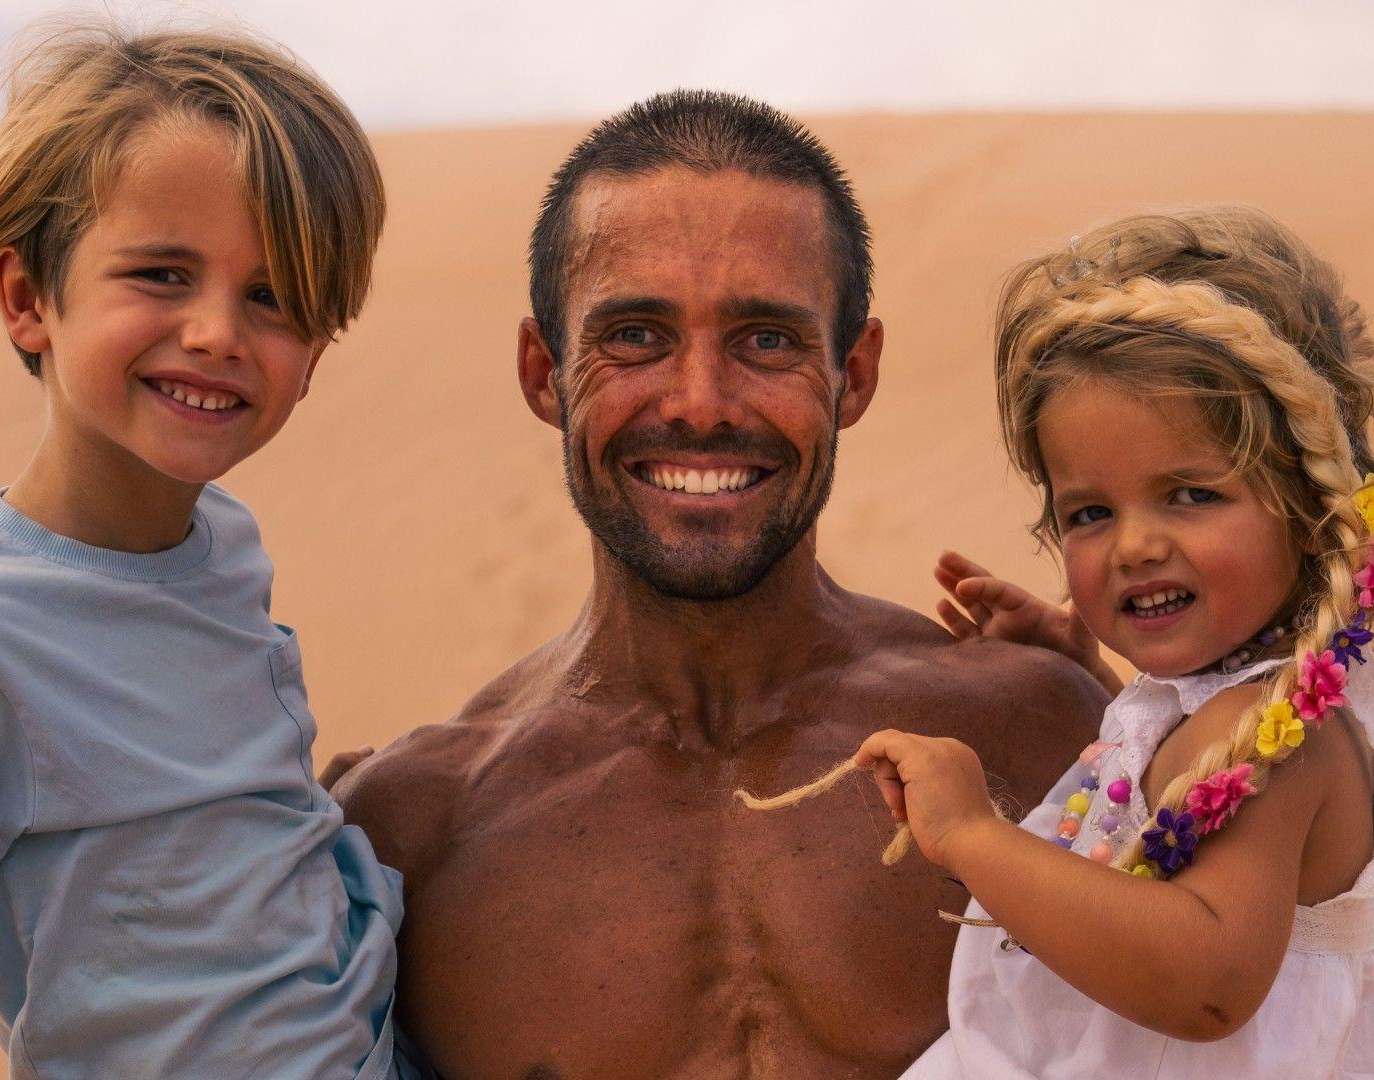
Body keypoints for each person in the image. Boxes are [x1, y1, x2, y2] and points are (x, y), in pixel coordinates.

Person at [334, 90, 1105, 1078]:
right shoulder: (411, 835)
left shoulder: (1035, 736)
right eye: (636, 336)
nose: (700, 403)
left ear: (855, 373)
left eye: (767, 340)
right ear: (543, 371)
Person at [0, 23, 411, 1078]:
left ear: (315, 356)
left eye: (273, 297)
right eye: (162, 274)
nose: (217, 331)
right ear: (29, 297)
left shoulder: (224, 548)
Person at [848, 207, 1374, 1078]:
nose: (1133, 545)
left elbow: (1205, 982)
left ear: (1311, 513)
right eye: (1090, 513)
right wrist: (1088, 671)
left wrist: (976, 835)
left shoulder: (1284, 744)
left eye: (1191, 495)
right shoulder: (1228, 712)